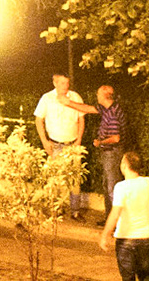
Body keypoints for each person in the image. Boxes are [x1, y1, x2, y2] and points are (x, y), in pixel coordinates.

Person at [34, 72, 98, 218]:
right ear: (55, 83)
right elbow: (39, 120)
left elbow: (81, 120)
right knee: (55, 178)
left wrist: (79, 140)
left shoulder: (75, 97)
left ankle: (75, 211)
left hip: (73, 144)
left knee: (75, 179)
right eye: (62, 83)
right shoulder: (47, 98)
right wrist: (44, 141)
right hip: (55, 144)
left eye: (67, 83)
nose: (65, 86)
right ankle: (55, 209)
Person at [98, 149, 149, 280]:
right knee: (145, 275)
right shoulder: (147, 182)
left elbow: (115, 213)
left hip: (126, 238)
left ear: (124, 166)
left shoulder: (121, 187)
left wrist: (104, 235)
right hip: (145, 236)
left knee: (128, 277)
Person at [94, 84, 126, 209]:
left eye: (98, 93)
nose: (97, 96)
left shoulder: (112, 113)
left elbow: (115, 138)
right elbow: (88, 109)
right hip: (110, 153)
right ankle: (109, 218)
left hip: (112, 153)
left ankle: (116, 222)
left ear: (105, 96)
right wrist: (68, 103)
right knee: (108, 185)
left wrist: (100, 142)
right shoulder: (109, 108)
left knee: (112, 188)